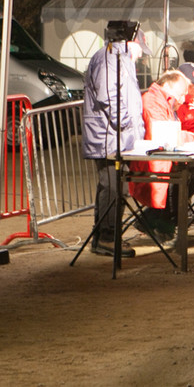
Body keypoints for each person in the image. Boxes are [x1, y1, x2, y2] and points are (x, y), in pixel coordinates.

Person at [81, 22, 150, 258]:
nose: (141, 56)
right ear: (131, 43)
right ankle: (107, 238)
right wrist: (126, 124)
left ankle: (104, 236)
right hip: (109, 137)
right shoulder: (110, 58)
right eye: (141, 49)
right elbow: (109, 96)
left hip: (118, 137)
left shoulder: (120, 60)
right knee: (113, 187)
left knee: (113, 187)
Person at [131, 69, 194, 246]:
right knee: (182, 181)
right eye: (180, 94)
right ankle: (161, 224)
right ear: (168, 86)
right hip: (152, 161)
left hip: (164, 159)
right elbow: (165, 135)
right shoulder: (153, 102)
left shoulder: (162, 101)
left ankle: (156, 222)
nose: (181, 100)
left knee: (190, 179)